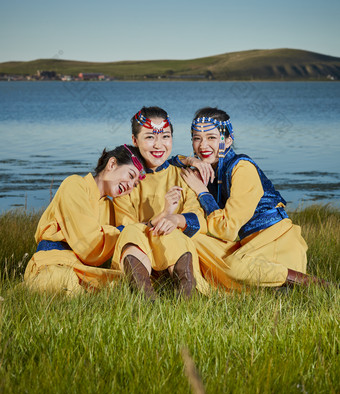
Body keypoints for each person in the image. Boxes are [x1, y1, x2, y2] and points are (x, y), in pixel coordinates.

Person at [175, 106, 329, 290]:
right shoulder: (206, 170)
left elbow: (227, 230)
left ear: (228, 140)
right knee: (189, 238)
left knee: (235, 268)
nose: (203, 145)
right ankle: (271, 289)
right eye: (197, 138)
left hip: (276, 242)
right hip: (247, 246)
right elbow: (165, 165)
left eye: (211, 138)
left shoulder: (242, 167)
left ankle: (311, 283)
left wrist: (202, 192)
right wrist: (190, 160)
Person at [111, 106, 211, 300]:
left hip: (172, 254)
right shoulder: (127, 180)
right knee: (131, 232)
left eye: (165, 136)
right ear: (134, 140)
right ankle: (146, 296)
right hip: (140, 255)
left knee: (172, 234)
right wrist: (160, 217)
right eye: (149, 137)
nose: (159, 145)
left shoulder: (182, 175)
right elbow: (124, 228)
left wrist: (175, 219)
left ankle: (186, 295)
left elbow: (198, 219)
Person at [24, 145, 146, 295]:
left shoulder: (111, 205)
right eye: (130, 175)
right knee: (65, 280)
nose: (130, 187)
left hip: (84, 270)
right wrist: (122, 231)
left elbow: (130, 234)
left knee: (125, 285)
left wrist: (122, 198)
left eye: (134, 185)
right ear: (112, 164)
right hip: (53, 262)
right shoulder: (75, 185)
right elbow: (88, 245)